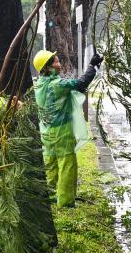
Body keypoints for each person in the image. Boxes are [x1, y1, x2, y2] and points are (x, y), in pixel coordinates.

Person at [32, 50, 103, 207]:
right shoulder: (57, 85)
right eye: (56, 62)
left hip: (46, 133)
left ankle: (49, 197)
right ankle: (65, 201)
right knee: (67, 166)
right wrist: (92, 66)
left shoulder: (38, 85)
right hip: (62, 133)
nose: (60, 64)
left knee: (50, 165)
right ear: (48, 67)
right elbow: (81, 83)